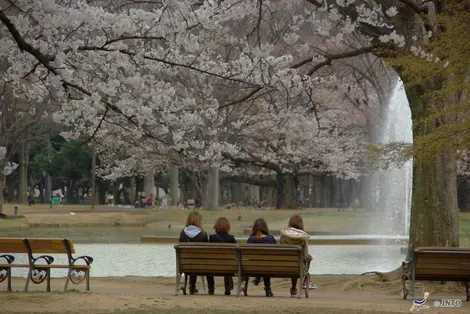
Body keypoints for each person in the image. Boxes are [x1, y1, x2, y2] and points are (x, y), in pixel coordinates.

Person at [280, 215, 317, 297]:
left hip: (284, 265)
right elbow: (306, 256)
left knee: (294, 262)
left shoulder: (283, 235)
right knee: (305, 260)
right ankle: (305, 281)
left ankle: (294, 287)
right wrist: (309, 258)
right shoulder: (303, 237)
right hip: (298, 267)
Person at [178, 211, 209, 295]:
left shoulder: (183, 233)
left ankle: (191, 287)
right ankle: (210, 288)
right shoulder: (203, 234)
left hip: (185, 263)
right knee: (196, 260)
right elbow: (207, 250)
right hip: (200, 263)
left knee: (192, 261)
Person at [207, 217, 236, 295]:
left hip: (214, 265)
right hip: (228, 265)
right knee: (228, 263)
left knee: (208, 265)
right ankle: (227, 288)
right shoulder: (231, 238)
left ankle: (211, 288)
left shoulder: (212, 237)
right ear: (228, 227)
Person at [247, 218, 276, 297]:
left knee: (260, 263)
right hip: (268, 266)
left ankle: (258, 277)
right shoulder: (271, 239)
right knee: (266, 263)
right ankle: (268, 289)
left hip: (253, 267)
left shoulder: (250, 240)